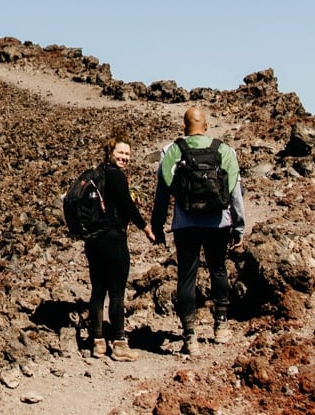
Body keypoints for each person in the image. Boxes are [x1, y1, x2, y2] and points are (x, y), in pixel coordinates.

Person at [149, 105, 248, 354]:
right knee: (218, 269)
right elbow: (235, 192)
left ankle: (189, 336)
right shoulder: (225, 150)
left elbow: (162, 194)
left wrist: (157, 225)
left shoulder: (171, 151)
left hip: (186, 224)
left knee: (186, 277)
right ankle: (221, 326)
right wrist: (239, 226)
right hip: (218, 223)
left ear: (184, 128)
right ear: (206, 126)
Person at [82, 139, 153, 361]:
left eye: (127, 154)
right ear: (110, 152)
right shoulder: (115, 176)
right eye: (121, 152)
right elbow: (128, 207)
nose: (124, 157)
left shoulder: (97, 175)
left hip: (93, 240)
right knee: (117, 293)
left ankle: (98, 342)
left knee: (97, 290)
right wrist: (146, 228)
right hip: (113, 239)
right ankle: (120, 344)